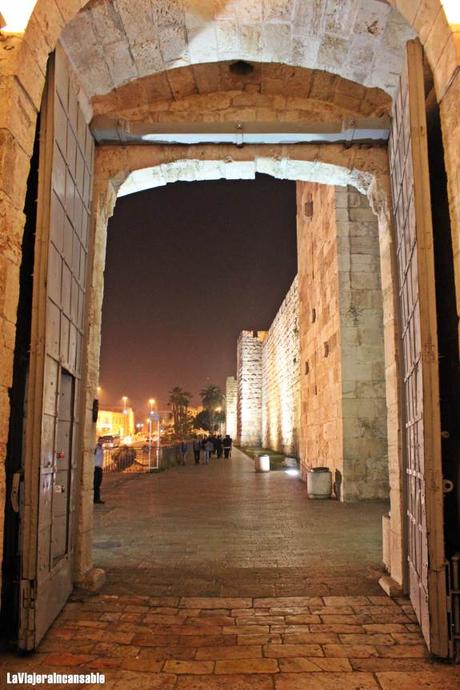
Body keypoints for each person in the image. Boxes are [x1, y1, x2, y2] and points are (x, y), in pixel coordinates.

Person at [94, 440, 105, 504]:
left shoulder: (101, 448)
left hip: (100, 468)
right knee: (95, 484)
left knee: (98, 484)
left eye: (102, 441)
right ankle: (95, 499)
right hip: (95, 467)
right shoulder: (96, 448)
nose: (102, 442)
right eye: (100, 441)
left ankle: (97, 499)